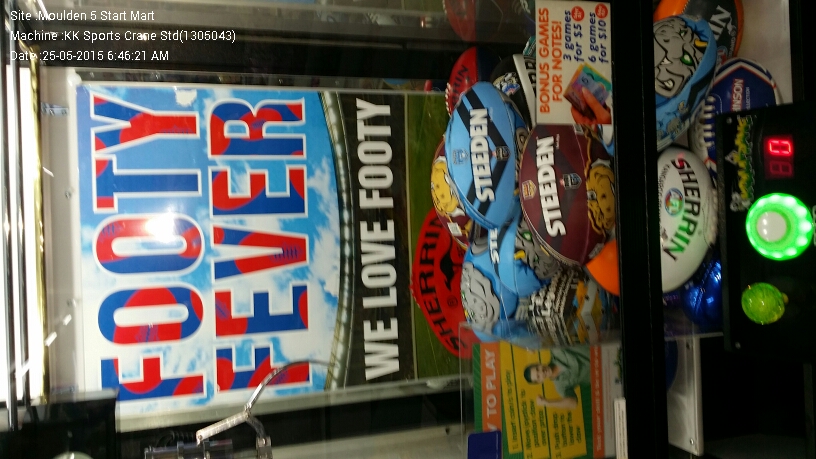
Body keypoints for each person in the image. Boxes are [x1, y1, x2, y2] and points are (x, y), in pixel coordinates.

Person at [523, 346, 590, 410]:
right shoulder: (560, 386)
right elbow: (573, 403)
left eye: (538, 369)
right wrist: (547, 402)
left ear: (539, 364)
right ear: (540, 381)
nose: (542, 372)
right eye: (538, 376)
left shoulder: (555, 350)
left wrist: (531, 345)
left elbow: (546, 339)